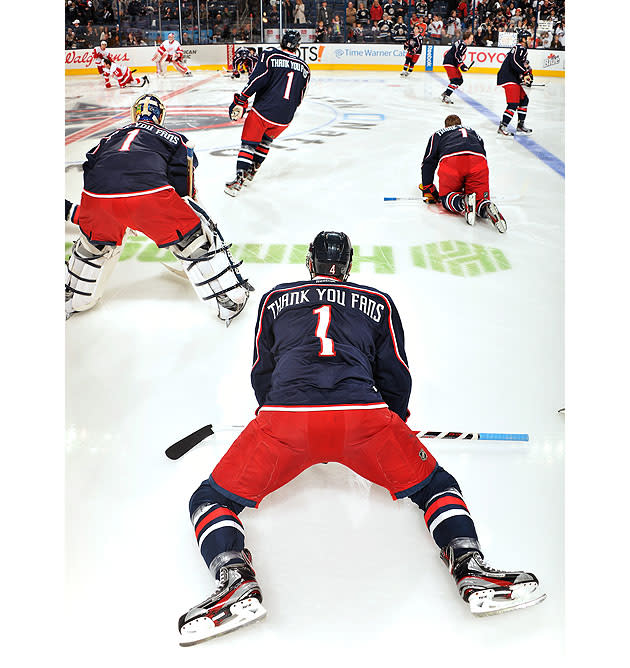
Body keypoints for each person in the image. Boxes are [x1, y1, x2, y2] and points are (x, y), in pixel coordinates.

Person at [177, 230, 545, 646]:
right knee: (435, 486)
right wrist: (396, 426)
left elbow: (263, 368)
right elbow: (395, 373)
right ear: (348, 266)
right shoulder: (378, 302)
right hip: (364, 418)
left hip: (284, 419)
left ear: (309, 264)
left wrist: (271, 415)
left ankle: (234, 579)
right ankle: (470, 567)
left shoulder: (273, 299)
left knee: (209, 500)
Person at [65, 94, 253, 323]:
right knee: (195, 235)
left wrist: (101, 213)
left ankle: (72, 296)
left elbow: (90, 167)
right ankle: (227, 299)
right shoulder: (174, 138)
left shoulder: (109, 138)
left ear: (135, 114)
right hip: (149, 196)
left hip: (97, 196)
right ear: (160, 116)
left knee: (94, 244)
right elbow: (183, 184)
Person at [224, 30, 310, 196]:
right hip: (285, 118)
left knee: (248, 144)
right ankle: (252, 172)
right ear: (298, 46)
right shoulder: (305, 68)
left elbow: (257, 79)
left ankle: (238, 181)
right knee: (265, 142)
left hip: (264, 111)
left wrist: (242, 99)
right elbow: (300, 97)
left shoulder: (270, 55)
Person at [420, 114, 508, 232]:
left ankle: (462, 202)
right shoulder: (473, 132)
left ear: (445, 126)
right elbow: (483, 154)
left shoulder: (438, 134)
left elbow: (428, 162)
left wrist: (428, 188)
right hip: (478, 161)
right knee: (479, 198)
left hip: (452, 160)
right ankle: (485, 207)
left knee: (447, 197)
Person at [496, 29, 533, 136]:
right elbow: (514, 62)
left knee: (524, 100)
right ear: (523, 39)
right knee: (513, 104)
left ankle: (520, 126)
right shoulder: (520, 48)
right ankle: (503, 127)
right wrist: (525, 72)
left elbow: (515, 64)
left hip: (511, 78)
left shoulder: (518, 49)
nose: (531, 41)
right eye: (529, 38)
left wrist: (523, 77)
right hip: (508, 78)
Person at [440, 29, 474, 104]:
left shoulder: (461, 43)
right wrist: (462, 65)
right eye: (471, 38)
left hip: (451, 63)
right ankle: (446, 96)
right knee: (455, 80)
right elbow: (457, 55)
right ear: (467, 38)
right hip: (450, 63)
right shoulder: (463, 44)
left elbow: (457, 56)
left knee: (460, 80)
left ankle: (446, 93)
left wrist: (462, 65)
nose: (472, 40)